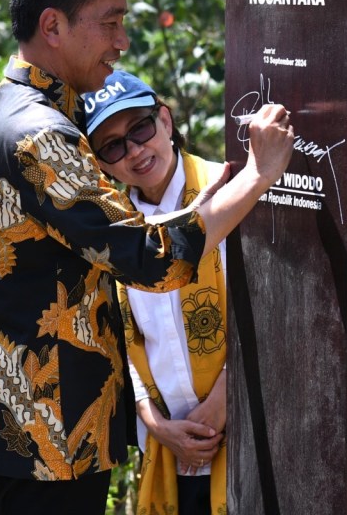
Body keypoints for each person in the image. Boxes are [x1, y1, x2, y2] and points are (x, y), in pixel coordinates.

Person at [0, 0, 293, 514]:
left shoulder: (0, 107)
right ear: (53, 26)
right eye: (110, 23)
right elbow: (150, 259)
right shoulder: (40, 132)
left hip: (28, 424)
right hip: (51, 435)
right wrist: (259, 176)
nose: (122, 42)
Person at [84, 72, 226, 515]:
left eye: (140, 129)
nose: (134, 151)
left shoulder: (227, 191)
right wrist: (154, 421)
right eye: (113, 146)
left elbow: (269, 312)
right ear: (101, 164)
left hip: (243, 430)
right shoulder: (110, 226)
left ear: (165, 120)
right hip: (167, 448)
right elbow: (119, 336)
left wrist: (225, 400)